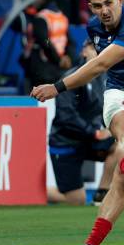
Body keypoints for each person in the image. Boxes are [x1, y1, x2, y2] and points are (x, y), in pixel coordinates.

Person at [30, 0, 124, 245]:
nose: (104, 11)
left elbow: (100, 63)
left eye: (109, 3)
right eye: (97, 6)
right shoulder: (94, 27)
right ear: (90, 7)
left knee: (122, 182)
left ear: (121, 0)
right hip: (119, 92)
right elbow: (101, 67)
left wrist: (57, 87)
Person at [48, 41, 117, 206]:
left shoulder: (104, 78)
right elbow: (66, 116)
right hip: (65, 142)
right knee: (76, 200)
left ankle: (102, 194)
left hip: (87, 139)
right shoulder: (70, 78)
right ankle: (33, 193)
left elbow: (103, 109)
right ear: (84, 51)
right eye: (94, 48)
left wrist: (109, 129)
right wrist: (93, 132)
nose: (99, 52)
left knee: (121, 145)